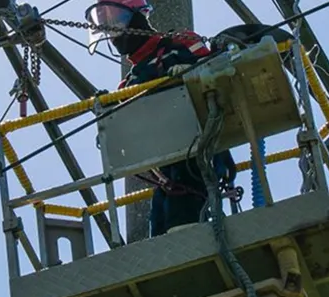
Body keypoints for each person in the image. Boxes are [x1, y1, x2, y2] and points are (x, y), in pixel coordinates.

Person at [85, 0, 237, 237]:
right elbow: (126, 125)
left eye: (118, 23)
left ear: (137, 18)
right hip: (167, 169)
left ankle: (187, 235)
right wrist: (110, 110)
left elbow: (212, 68)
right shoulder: (130, 82)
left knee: (187, 197)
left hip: (198, 149)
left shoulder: (178, 43)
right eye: (109, 29)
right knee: (160, 218)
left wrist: (189, 70)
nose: (115, 36)